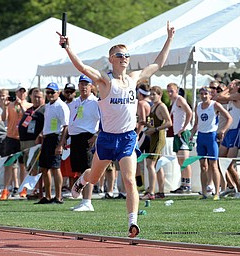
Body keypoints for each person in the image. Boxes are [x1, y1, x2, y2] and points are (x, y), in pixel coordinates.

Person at [58, 21, 175, 238]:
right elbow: (83, 67)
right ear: (111, 59)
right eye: (120, 55)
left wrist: (169, 38)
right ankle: (82, 181)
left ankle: (133, 222)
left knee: (130, 179)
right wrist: (67, 47)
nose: (124, 58)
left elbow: (158, 64)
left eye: (127, 55)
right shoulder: (104, 82)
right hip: (106, 138)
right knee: (93, 178)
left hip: (128, 138)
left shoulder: (134, 78)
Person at [63, 76, 100, 211]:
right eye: (81, 84)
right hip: (75, 138)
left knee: (87, 169)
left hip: (87, 136)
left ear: (91, 87)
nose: (84, 87)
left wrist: (96, 136)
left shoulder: (95, 102)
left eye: (86, 84)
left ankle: (88, 201)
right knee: (79, 170)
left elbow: (104, 120)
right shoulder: (75, 102)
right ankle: (83, 200)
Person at [190, 87, 232, 200]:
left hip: (211, 136)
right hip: (201, 137)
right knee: (203, 166)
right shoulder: (198, 106)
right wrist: (191, 135)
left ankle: (217, 192)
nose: (204, 96)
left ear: (210, 95)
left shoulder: (215, 105)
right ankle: (204, 192)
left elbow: (229, 118)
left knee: (213, 165)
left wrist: (222, 131)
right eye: (202, 94)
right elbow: (196, 123)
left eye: (206, 94)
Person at [34, 82, 69, 204]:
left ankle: (58, 197)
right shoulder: (48, 106)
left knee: (55, 167)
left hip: (56, 137)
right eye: (48, 92)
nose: (50, 95)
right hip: (47, 137)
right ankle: (48, 196)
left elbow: (66, 126)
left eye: (52, 92)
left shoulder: (61, 106)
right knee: (44, 167)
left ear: (58, 93)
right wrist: (42, 135)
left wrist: (60, 144)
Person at [214, 79, 240, 198]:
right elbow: (217, 97)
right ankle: (230, 186)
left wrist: (227, 88)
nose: (230, 84)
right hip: (228, 132)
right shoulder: (232, 98)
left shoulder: (237, 96)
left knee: (229, 163)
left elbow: (219, 97)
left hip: (236, 132)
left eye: (233, 83)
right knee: (219, 161)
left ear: (237, 86)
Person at [0, 84, 32, 200]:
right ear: (16, 93)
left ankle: (23, 189)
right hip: (11, 137)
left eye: (23, 92)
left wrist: (21, 106)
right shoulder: (10, 105)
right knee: (8, 164)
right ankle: (5, 189)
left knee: (23, 165)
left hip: (23, 138)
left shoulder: (29, 105)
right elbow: (3, 118)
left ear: (26, 93)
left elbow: (28, 117)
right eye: (19, 92)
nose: (21, 94)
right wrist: (4, 107)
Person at [140, 86, 172, 200]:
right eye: (151, 94)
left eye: (154, 94)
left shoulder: (162, 106)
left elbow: (169, 122)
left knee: (150, 164)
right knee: (158, 165)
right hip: (153, 136)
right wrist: (146, 124)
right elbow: (154, 124)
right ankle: (161, 191)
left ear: (160, 95)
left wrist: (156, 129)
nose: (152, 97)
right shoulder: (153, 107)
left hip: (159, 137)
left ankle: (151, 191)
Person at [18, 89, 45, 198]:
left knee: (36, 166)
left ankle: (38, 190)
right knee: (29, 167)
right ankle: (34, 189)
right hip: (25, 142)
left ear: (43, 98)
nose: (37, 99)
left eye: (39, 97)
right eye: (35, 96)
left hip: (35, 142)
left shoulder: (44, 110)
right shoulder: (29, 110)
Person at [167, 83, 193, 194]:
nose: (169, 93)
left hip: (183, 133)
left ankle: (187, 184)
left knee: (185, 160)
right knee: (180, 160)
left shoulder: (179, 99)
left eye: (171, 91)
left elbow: (189, 112)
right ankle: (183, 183)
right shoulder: (173, 102)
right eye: (168, 91)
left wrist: (184, 127)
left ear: (177, 90)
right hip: (177, 133)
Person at [135, 83, 152, 191]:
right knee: (150, 162)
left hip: (143, 134)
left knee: (134, 158)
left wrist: (137, 134)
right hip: (150, 133)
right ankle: (148, 185)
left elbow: (142, 120)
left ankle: (139, 184)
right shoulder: (151, 102)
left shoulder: (141, 103)